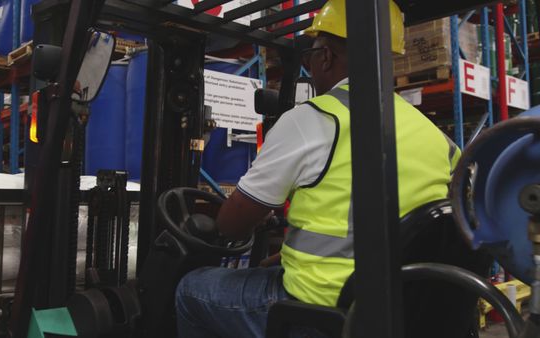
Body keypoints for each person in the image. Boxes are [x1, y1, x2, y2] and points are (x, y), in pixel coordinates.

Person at [175, 0, 461, 337]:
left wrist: (231, 221)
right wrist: (293, 255)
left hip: (325, 309)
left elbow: (233, 224)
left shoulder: (314, 118)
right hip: (403, 304)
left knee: (191, 290)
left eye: (311, 54)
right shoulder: (437, 138)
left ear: (325, 56)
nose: (310, 64)